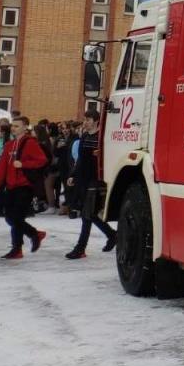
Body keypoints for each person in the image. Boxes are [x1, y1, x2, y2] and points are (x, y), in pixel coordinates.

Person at [0, 116, 49, 260]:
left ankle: (24, 242)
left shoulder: (30, 143)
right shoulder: (10, 145)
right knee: (11, 218)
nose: (13, 128)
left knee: (15, 217)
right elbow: (2, 168)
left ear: (25, 127)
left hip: (25, 186)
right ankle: (27, 241)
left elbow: (42, 160)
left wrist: (23, 164)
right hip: (11, 185)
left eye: (17, 126)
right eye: (13, 126)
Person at [65, 111, 116, 259]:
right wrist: (73, 175)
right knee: (90, 214)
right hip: (83, 179)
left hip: (96, 179)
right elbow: (80, 159)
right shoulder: (85, 136)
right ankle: (112, 235)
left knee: (87, 215)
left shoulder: (103, 138)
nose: (85, 122)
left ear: (96, 121)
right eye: (84, 119)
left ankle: (80, 248)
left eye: (87, 119)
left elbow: (109, 157)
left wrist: (101, 156)